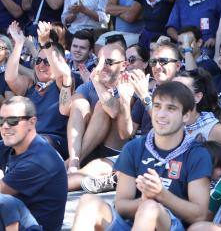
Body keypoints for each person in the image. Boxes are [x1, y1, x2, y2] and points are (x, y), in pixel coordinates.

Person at [70, 81, 213, 230]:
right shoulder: (134, 148)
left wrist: (161, 195)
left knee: (149, 209)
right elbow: (121, 205)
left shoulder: (197, 154)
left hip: (170, 225)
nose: (161, 114)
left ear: (186, 115)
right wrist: (142, 201)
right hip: (132, 224)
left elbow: (199, 214)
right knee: (88, 202)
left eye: (171, 108)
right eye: (157, 106)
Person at [65, 41, 130, 191]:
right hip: (88, 147)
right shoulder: (88, 87)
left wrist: (96, 81)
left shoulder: (127, 83)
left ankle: (71, 162)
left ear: (124, 65)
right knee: (79, 104)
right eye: (99, 61)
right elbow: (68, 108)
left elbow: (113, 110)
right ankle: (73, 162)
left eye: (108, 62)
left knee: (103, 106)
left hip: (114, 150)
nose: (102, 67)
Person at [0, 96, 68, 231]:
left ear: (31, 122)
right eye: (1, 121)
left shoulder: (40, 159)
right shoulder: (12, 145)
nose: (5, 126)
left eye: (13, 120)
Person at [5, 22, 72, 157]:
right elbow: (10, 78)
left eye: (47, 61)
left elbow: (62, 73)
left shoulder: (62, 83)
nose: (41, 65)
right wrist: (19, 43)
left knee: (35, 142)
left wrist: (46, 43)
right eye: (38, 61)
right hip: (25, 139)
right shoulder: (30, 85)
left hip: (53, 142)